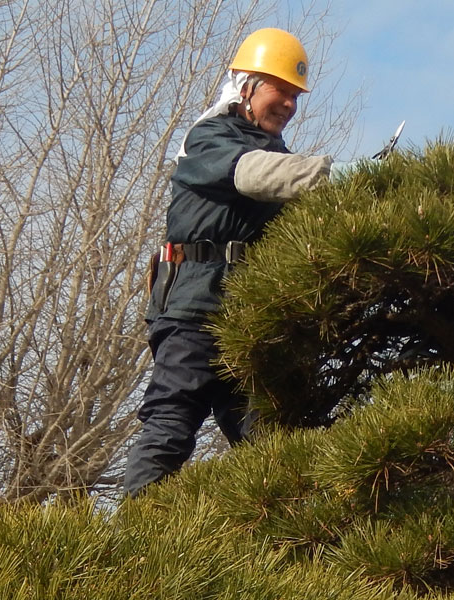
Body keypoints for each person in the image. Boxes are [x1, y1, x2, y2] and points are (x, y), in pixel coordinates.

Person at [121, 28, 334, 498]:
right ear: (247, 86)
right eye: (282, 91)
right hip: (192, 312)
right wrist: (336, 175)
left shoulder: (279, 155)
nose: (290, 105)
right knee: (171, 426)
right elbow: (254, 174)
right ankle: (124, 544)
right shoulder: (209, 137)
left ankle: (289, 552)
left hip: (247, 319)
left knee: (269, 442)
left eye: (296, 96)